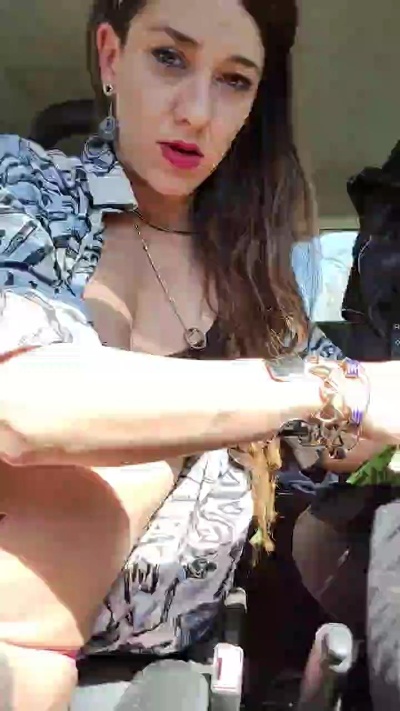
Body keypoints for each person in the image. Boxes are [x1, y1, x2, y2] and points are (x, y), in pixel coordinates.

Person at [0, 0, 400, 708]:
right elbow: (21, 397)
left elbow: (336, 438)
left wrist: (365, 407)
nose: (196, 112)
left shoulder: (257, 289)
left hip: (172, 677)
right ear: (111, 56)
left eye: (234, 80)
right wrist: (327, 390)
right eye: (169, 58)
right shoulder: (26, 188)